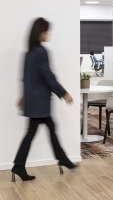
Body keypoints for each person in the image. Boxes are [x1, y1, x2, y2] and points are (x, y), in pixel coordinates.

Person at [12, 17, 76, 182]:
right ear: (41, 33)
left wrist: (24, 96)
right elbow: (48, 76)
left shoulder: (29, 53)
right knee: (38, 131)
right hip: (40, 101)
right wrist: (63, 93)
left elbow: (25, 78)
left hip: (34, 100)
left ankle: (60, 159)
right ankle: (21, 165)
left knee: (44, 129)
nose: (49, 35)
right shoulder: (41, 51)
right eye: (47, 32)